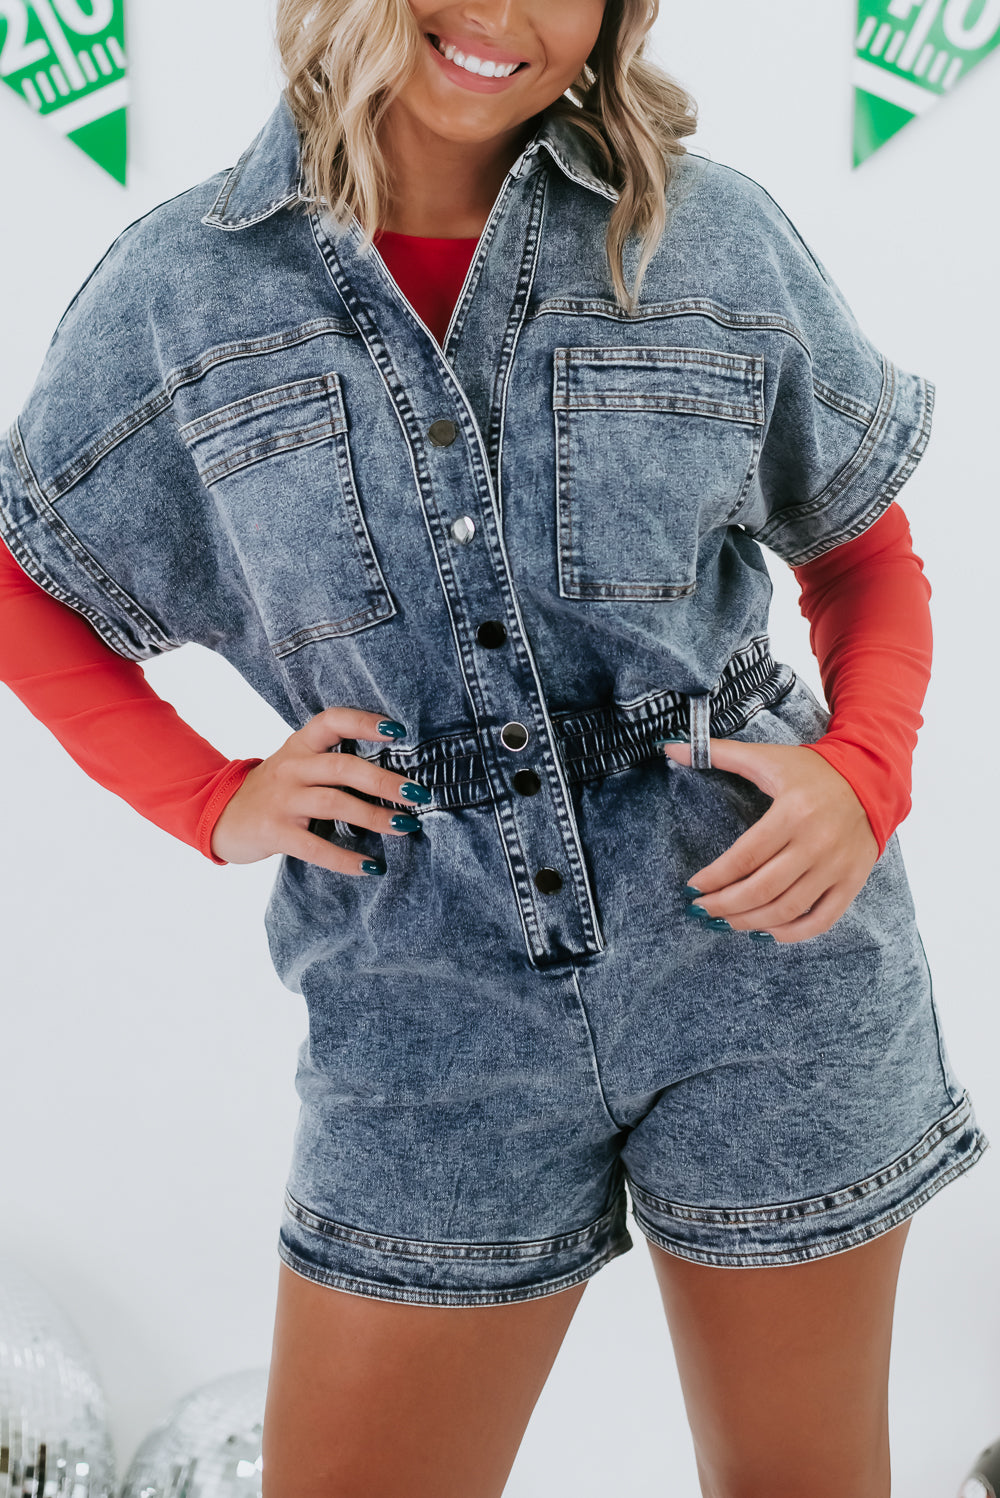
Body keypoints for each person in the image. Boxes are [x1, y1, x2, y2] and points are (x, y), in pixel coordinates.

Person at [0, 1, 988, 1494]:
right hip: (420, 991)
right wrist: (211, 797)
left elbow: (860, 551)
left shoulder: (707, 235)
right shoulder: (184, 287)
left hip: (765, 956)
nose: (504, 13)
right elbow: (27, 580)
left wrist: (868, 774)